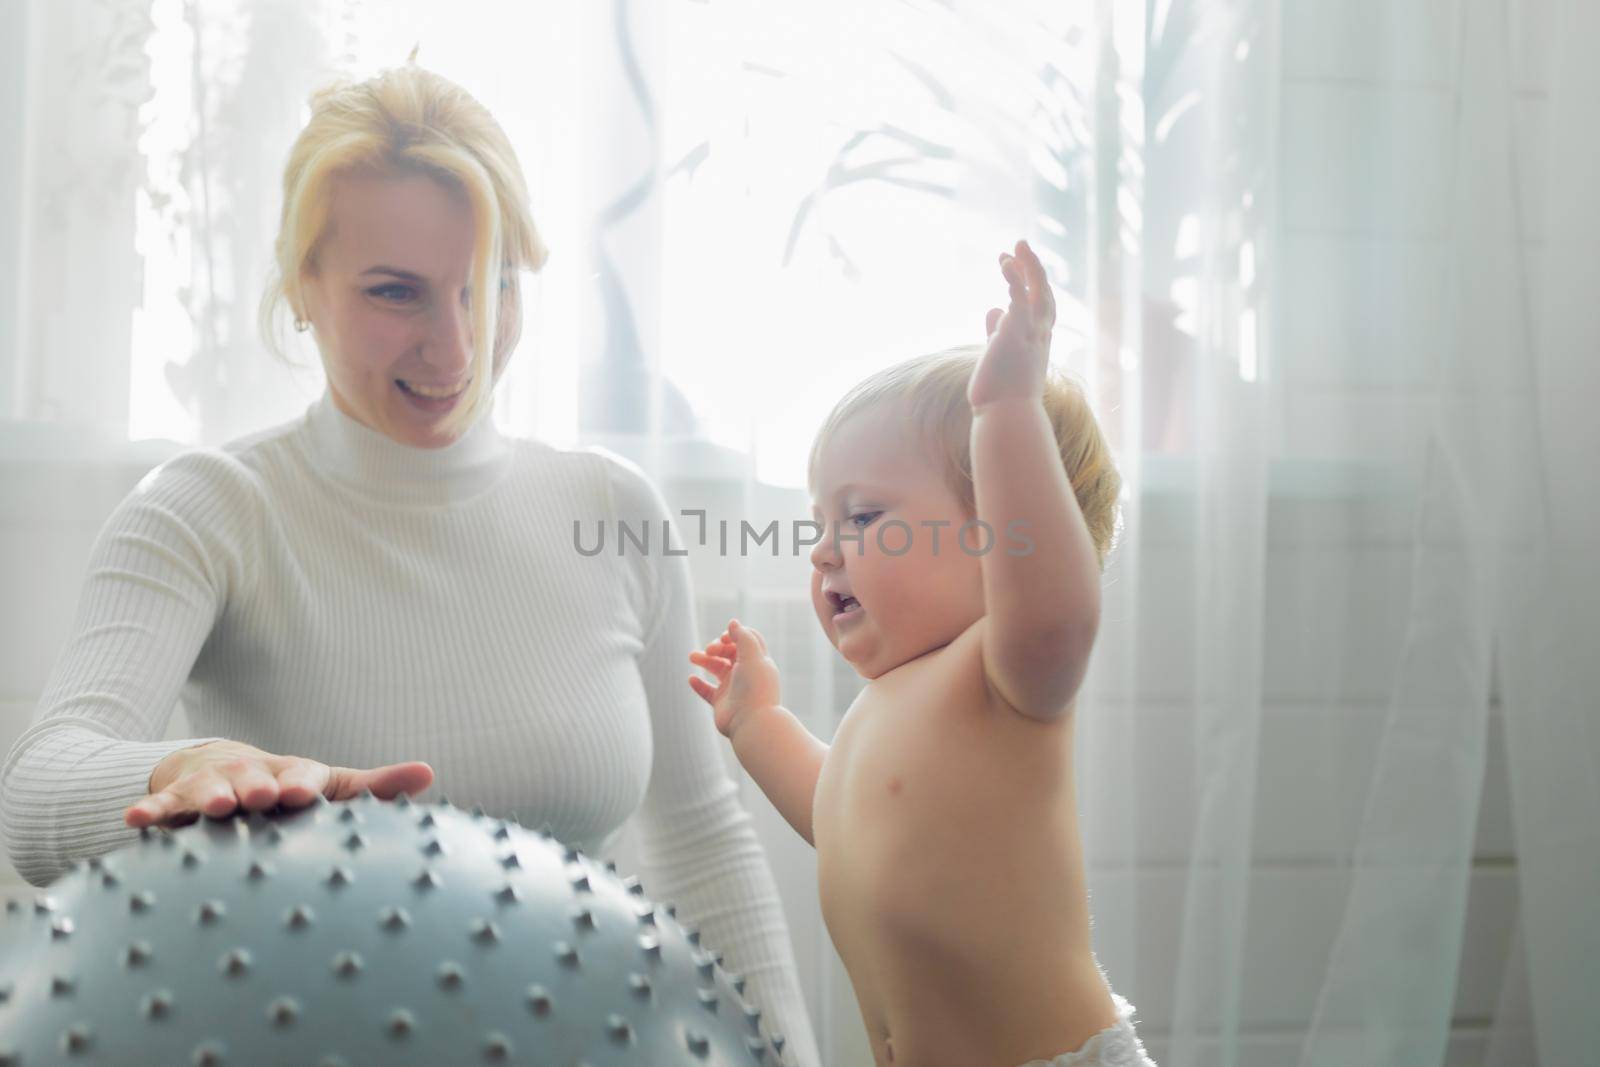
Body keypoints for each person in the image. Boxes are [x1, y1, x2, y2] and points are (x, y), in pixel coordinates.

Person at [0, 60, 820, 1066]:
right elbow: (40, 791)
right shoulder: (210, 506)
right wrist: (183, 766)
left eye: (489, 289)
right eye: (397, 293)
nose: (454, 348)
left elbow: (700, 834)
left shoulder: (616, 511)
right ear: (302, 287)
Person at [687, 241, 1156, 1066]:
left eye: (861, 519)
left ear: (995, 536)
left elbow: (1053, 601)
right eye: (820, 524)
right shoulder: (891, 705)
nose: (824, 551)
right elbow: (841, 816)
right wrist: (758, 722)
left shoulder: (1009, 674)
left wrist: (1006, 409)